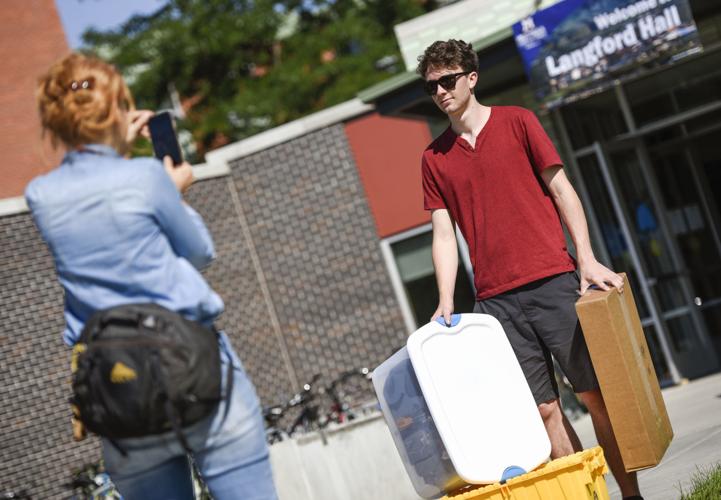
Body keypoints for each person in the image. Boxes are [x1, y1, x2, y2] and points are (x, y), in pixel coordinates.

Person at [26, 53, 278, 500]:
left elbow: (99, 199)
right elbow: (200, 253)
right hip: (199, 371)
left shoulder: (42, 196)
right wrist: (174, 190)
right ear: (116, 107)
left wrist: (113, 143)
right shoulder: (146, 177)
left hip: (120, 389)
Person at [417, 40, 642, 500]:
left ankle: (631, 494)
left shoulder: (519, 121)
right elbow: (443, 235)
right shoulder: (433, 158)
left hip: (554, 281)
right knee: (544, 412)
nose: (441, 92)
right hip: (496, 303)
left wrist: (586, 257)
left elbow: (563, 191)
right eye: (432, 86)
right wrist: (444, 301)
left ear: (471, 78)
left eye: (448, 80)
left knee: (594, 396)